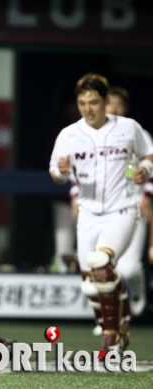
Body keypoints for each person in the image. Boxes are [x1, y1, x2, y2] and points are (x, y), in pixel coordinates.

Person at [50, 73, 153, 352]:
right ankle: (121, 321)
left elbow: (149, 154)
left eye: (94, 101)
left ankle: (112, 336)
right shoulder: (69, 134)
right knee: (90, 286)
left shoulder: (128, 128)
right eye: (83, 102)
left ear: (106, 101)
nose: (88, 108)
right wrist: (60, 171)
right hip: (88, 213)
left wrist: (145, 170)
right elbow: (56, 174)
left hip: (122, 209)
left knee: (101, 262)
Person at [71, 85, 149, 336]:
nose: (114, 108)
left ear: (125, 108)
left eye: (119, 104)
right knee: (92, 274)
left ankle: (135, 293)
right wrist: (75, 197)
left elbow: (151, 158)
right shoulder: (84, 133)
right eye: (110, 103)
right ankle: (109, 319)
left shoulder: (134, 130)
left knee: (127, 268)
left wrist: (147, 194)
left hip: (129, 207)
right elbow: (76, 169)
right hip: (94, 211)